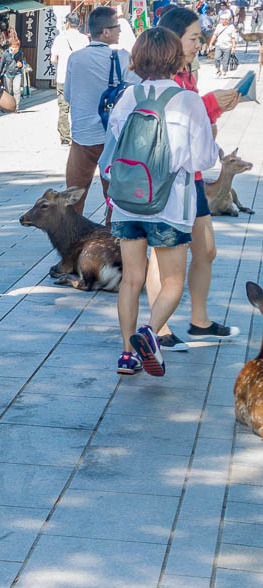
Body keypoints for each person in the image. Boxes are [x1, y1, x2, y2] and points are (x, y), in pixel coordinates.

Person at [107, 27, 217, 376]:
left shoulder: (128, 97)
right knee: (171, 281)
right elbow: (203, 161)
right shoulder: (187, 100)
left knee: (131, 280)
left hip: (127, 202)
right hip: (170, 205)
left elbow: (115, 140)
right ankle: (149, 332)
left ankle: (128, 354)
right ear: (176, 58)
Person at [146, 7, 241, 352]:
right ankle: (159, 329)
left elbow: (197, 125)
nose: (199, 44)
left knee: (206, 250)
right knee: (162, 258)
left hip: (193, 178)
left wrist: (212, 112)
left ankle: (199, 321)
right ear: (173, 38)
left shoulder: (187, 74)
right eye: (195, 38)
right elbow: (177, 119)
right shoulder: (159, 78)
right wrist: (211, 106)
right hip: (168, 181)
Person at [64, 6, 140, 216]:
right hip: (113, 138)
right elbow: (137, 92)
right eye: (116, 27)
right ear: (105, 31)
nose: (120, 31)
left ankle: (73, 240)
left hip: (82, 138)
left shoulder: (75, 59)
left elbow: (68, 96)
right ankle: (112, 240)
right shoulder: (122, 57)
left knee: (74, 195)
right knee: (114, 196)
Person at [50, 12, 89, 145]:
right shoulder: (84, 39)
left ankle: (65, 137)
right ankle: (79, 135)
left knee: (63, 109)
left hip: (63, 78)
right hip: (80, 80)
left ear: (67, 23)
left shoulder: (60, 38)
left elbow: (53, 58)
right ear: (80, 23)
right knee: (79, 108)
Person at [0, 35, 24, 111]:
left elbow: (21, 63)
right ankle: (7, 107)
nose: (15, 49)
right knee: (7, 91)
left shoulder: (20, 53)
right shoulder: (5, 53)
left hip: (17, 73)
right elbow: (1, 64)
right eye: (13, 47)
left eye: (17, 47)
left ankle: (16, 106)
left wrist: (20, 65)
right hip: (7, 74)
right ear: (10, 46)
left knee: (17, 90)